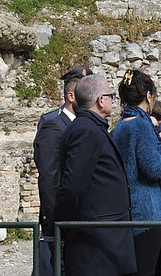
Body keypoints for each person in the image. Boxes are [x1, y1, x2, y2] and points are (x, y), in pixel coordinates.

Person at [55, 75, 137, 276]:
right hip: (96, 241)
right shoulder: (86, 130)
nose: (112, 101)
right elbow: (73, 185)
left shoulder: (92, 127)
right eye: (110, 96)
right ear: (101, 100)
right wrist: (61, 227)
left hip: (105, 237)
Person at [112, 70, 161, 276]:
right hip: (147, 212)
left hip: (131, 208)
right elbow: (154, 169)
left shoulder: (121, 124)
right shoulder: (140, 125)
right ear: (149, 96)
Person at [33, 66, 92, 275]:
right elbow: (49, 178)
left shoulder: (87, 126)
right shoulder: (53, 126)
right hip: (62, 217)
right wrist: (54, 223)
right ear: (70, 96)